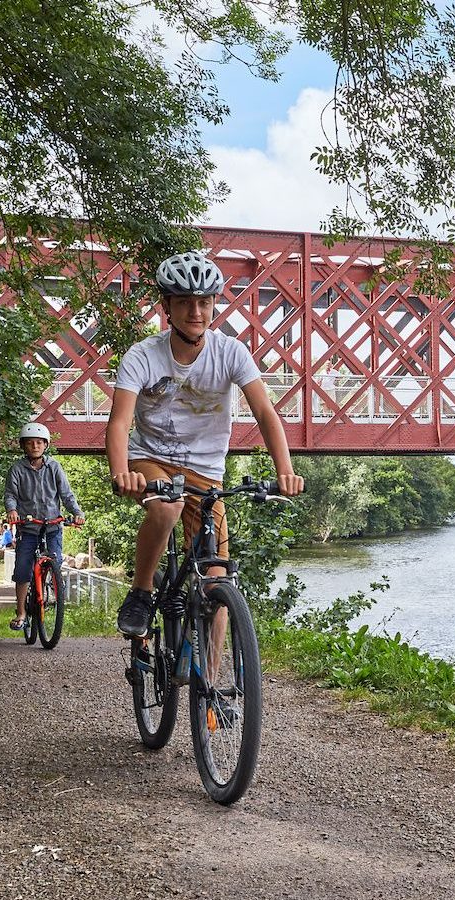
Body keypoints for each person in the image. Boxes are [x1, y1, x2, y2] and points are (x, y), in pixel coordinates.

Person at [107, 249, 304, 639]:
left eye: (204, 302)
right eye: (184, 302)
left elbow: (265, 411)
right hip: (152, 459)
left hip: (207, 472)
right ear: (167, 306)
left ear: (215, 303)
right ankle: (141, 592)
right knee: (167, 508)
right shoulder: (143, 356)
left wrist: (286, 471)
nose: (195, 311)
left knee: (219, 587)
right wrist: (121, 472)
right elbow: (120, 420)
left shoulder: (230, 352)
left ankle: (213, 697)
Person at [4, 422, 85, 630]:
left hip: (52, 526)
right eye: (30, 443)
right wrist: (12, 510)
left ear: (46, 445)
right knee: (22, 569)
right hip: (28, 527)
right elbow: (11, 494)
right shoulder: (17, 469)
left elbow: (66, 494)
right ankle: (21, 612)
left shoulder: (54, 467)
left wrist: (76, 512)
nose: (35, 446)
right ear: (23, 446)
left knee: (55, 561)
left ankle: (50, 585)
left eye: (39, 442)